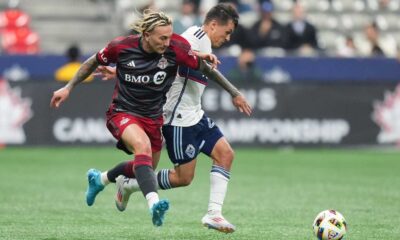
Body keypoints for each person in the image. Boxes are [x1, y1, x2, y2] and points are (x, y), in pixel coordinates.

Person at [50, 9, 248, 227]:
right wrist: (69, 88)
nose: (167, 41)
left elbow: (178, 58)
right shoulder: (181, 39)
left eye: (168, 37)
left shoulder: (176, 45)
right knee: (162, 164)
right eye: (227, 32)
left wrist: (230, 88)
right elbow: (97, 60)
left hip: (173, 115)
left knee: (153, 165)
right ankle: (153, 202)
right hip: (167, 115)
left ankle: (105, 179)